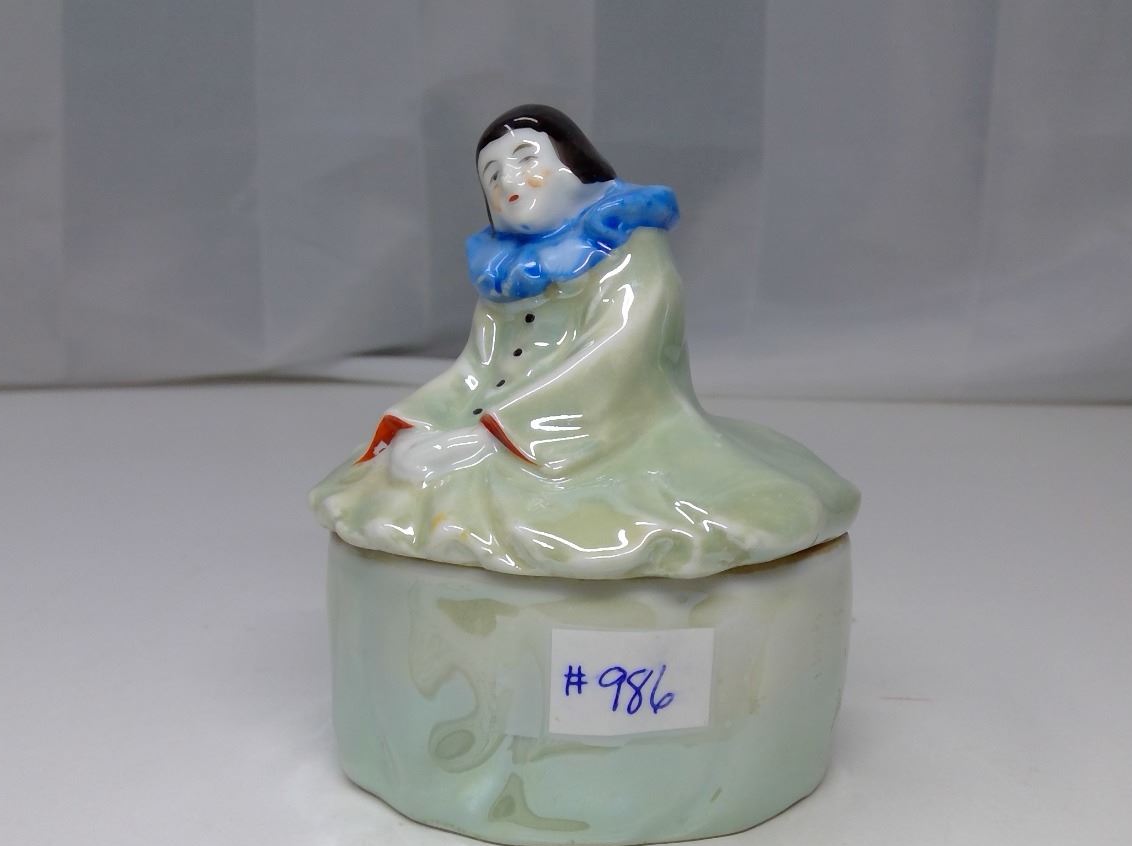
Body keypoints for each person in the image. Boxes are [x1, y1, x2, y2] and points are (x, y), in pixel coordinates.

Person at [310, 104, 857, 580]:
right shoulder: (507, 272)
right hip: (499, 422)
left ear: (576, 164)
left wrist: (488, 439)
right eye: (491, 175)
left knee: (508, 505)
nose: (508, 180)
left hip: (591, 430)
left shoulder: (627, 249)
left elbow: (621, 355)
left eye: (526, 158)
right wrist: (422, 423)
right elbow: (477, 366)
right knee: (394, 474)